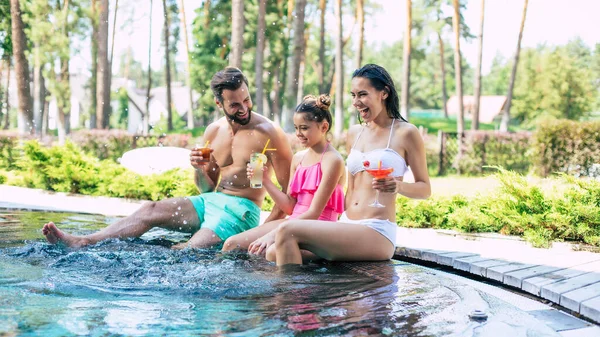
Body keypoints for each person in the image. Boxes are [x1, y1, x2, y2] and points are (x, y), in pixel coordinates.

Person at [42, 67, 293, 249]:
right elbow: (207, 188)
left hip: (242, 211)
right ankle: (85, 241)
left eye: (246, 100)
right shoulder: (213, 132)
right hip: (211, 201)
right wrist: (198, 168)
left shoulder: (269, 133)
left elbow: (289, 194)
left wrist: (262, 233)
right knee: (150, 210)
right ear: (219, 103)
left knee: (191, 251)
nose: (244, 108)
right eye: (235, 105)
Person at [271, 63, 431, 266]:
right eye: (353, 95)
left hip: (376, 229)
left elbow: (425, 189)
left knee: (287, 231)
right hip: (347, 223)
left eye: (362, 94)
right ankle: (304, 294)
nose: (356, 102)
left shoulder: (406, 133)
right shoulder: (356, 132)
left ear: (384, 93)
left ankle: (288, 296)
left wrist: (398, 186)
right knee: (273, 252)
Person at [222, 94, 346, 260]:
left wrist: (274, 234)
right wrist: (266, 180)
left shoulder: (333, 160)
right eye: (296, 128)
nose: (298, 134)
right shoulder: (299, 158)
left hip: (319, 230)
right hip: (293, 223)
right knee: (232, 245)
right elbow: (290, 207)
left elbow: (314, 213)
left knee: (271, 251)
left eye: (304, 128)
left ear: (324, 127)